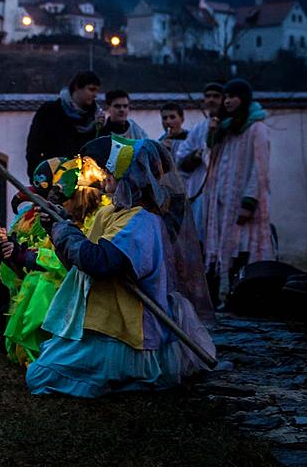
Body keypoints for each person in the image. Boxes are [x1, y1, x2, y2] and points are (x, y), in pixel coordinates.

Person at [25, 136, 214, 397]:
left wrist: (64, 230)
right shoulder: (110, 212)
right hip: (100, 319)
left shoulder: (143, 221)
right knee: (40, 371)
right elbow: (79, 265)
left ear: (131, 177)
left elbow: (100, 262)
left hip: (127, 327)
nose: (104, 177)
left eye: (110, 173)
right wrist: (57, 226)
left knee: (42, 376)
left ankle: (130, 379)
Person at [0, 156, 106, 365]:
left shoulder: (98, 218)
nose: (53, 202)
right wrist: (5, 244)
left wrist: (23, 255)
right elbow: (25, 248)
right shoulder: (37, 216)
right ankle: (4, 335)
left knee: (41, 285)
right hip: (52, 272)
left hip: (82, 283)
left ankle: (49, 348)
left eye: (62, 196)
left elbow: (68, 258)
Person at [202, 79, 272, 305]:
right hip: (223, 204)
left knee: (243, 249)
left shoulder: (256, 127)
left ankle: (245, 297)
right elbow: (212, 159)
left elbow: (259, 169)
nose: (228, 100)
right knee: (224, 250)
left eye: (233, 96)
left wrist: (249, 202)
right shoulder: (226, 128)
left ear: (243, 99)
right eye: (226, 96)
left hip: (242, 204)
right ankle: (225, 297)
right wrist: (213, 135)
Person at [25, 71, 101, 178]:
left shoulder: (95, 118)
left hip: (84, 180)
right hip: (53, 176)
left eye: (96, 91)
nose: (95, 95)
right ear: (77, 87)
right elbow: (34, 148)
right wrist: (38, 177)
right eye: (91, 89)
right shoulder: (50, 112)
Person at [175, 83, 224, 236]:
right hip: (201, 190)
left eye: (216, 96)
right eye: (208, 96)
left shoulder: (230, 126)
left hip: (223, 187)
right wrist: (195, 156)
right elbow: (182, 157)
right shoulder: (199, 128)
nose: (211, 100)